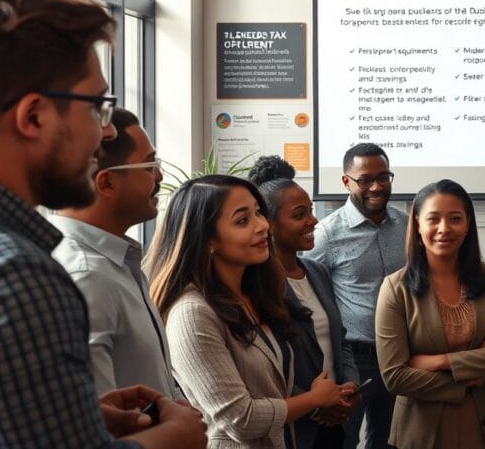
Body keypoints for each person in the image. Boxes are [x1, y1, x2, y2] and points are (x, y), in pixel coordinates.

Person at [0, 0, 206, 448]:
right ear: (34, 117)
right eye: (96, 108)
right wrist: (171, 439)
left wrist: (80, 424)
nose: (105, 134)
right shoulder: (18, 274)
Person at [148, 175, 354, 449]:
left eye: (259, 213)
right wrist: (314, 400)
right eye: (242, 221)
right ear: (208, 239)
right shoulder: (192, 312)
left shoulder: (255, 294)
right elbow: (239, 419)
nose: (263, 226)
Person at [375, 179, 485, 449]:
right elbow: (394, 376)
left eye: (455, 218)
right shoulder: (396, 288)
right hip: (423, 429)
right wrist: (471, 377)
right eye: (433, 219)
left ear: (468, 225)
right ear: (417, 225)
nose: (444, 228)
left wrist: (439, 361)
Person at [52, 108, 181, 399]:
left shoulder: (120, 262)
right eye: (149, 165)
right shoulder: (88, 276)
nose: (159, 175)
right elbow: (101, 419)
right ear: (107, 183)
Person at [249, 155, 362, 449]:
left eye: (310, 211)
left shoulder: (317, 271)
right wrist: (316, 404)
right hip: (298, 426)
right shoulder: (256, 285)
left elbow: (341, 339)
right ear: (268, 224)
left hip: (338, 420)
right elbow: (265, 365)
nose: (313, 221)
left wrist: (349, 386)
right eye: (300, 215)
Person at [305, 142, 407, 449]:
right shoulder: (326, 234)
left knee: (391, 441)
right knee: (344, 440)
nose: (376, 186)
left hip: (401, 355)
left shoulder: (406, 224)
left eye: (384, 177)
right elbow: (308, 296)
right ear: (346, 181)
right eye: (365, 179)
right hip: (353, 359)